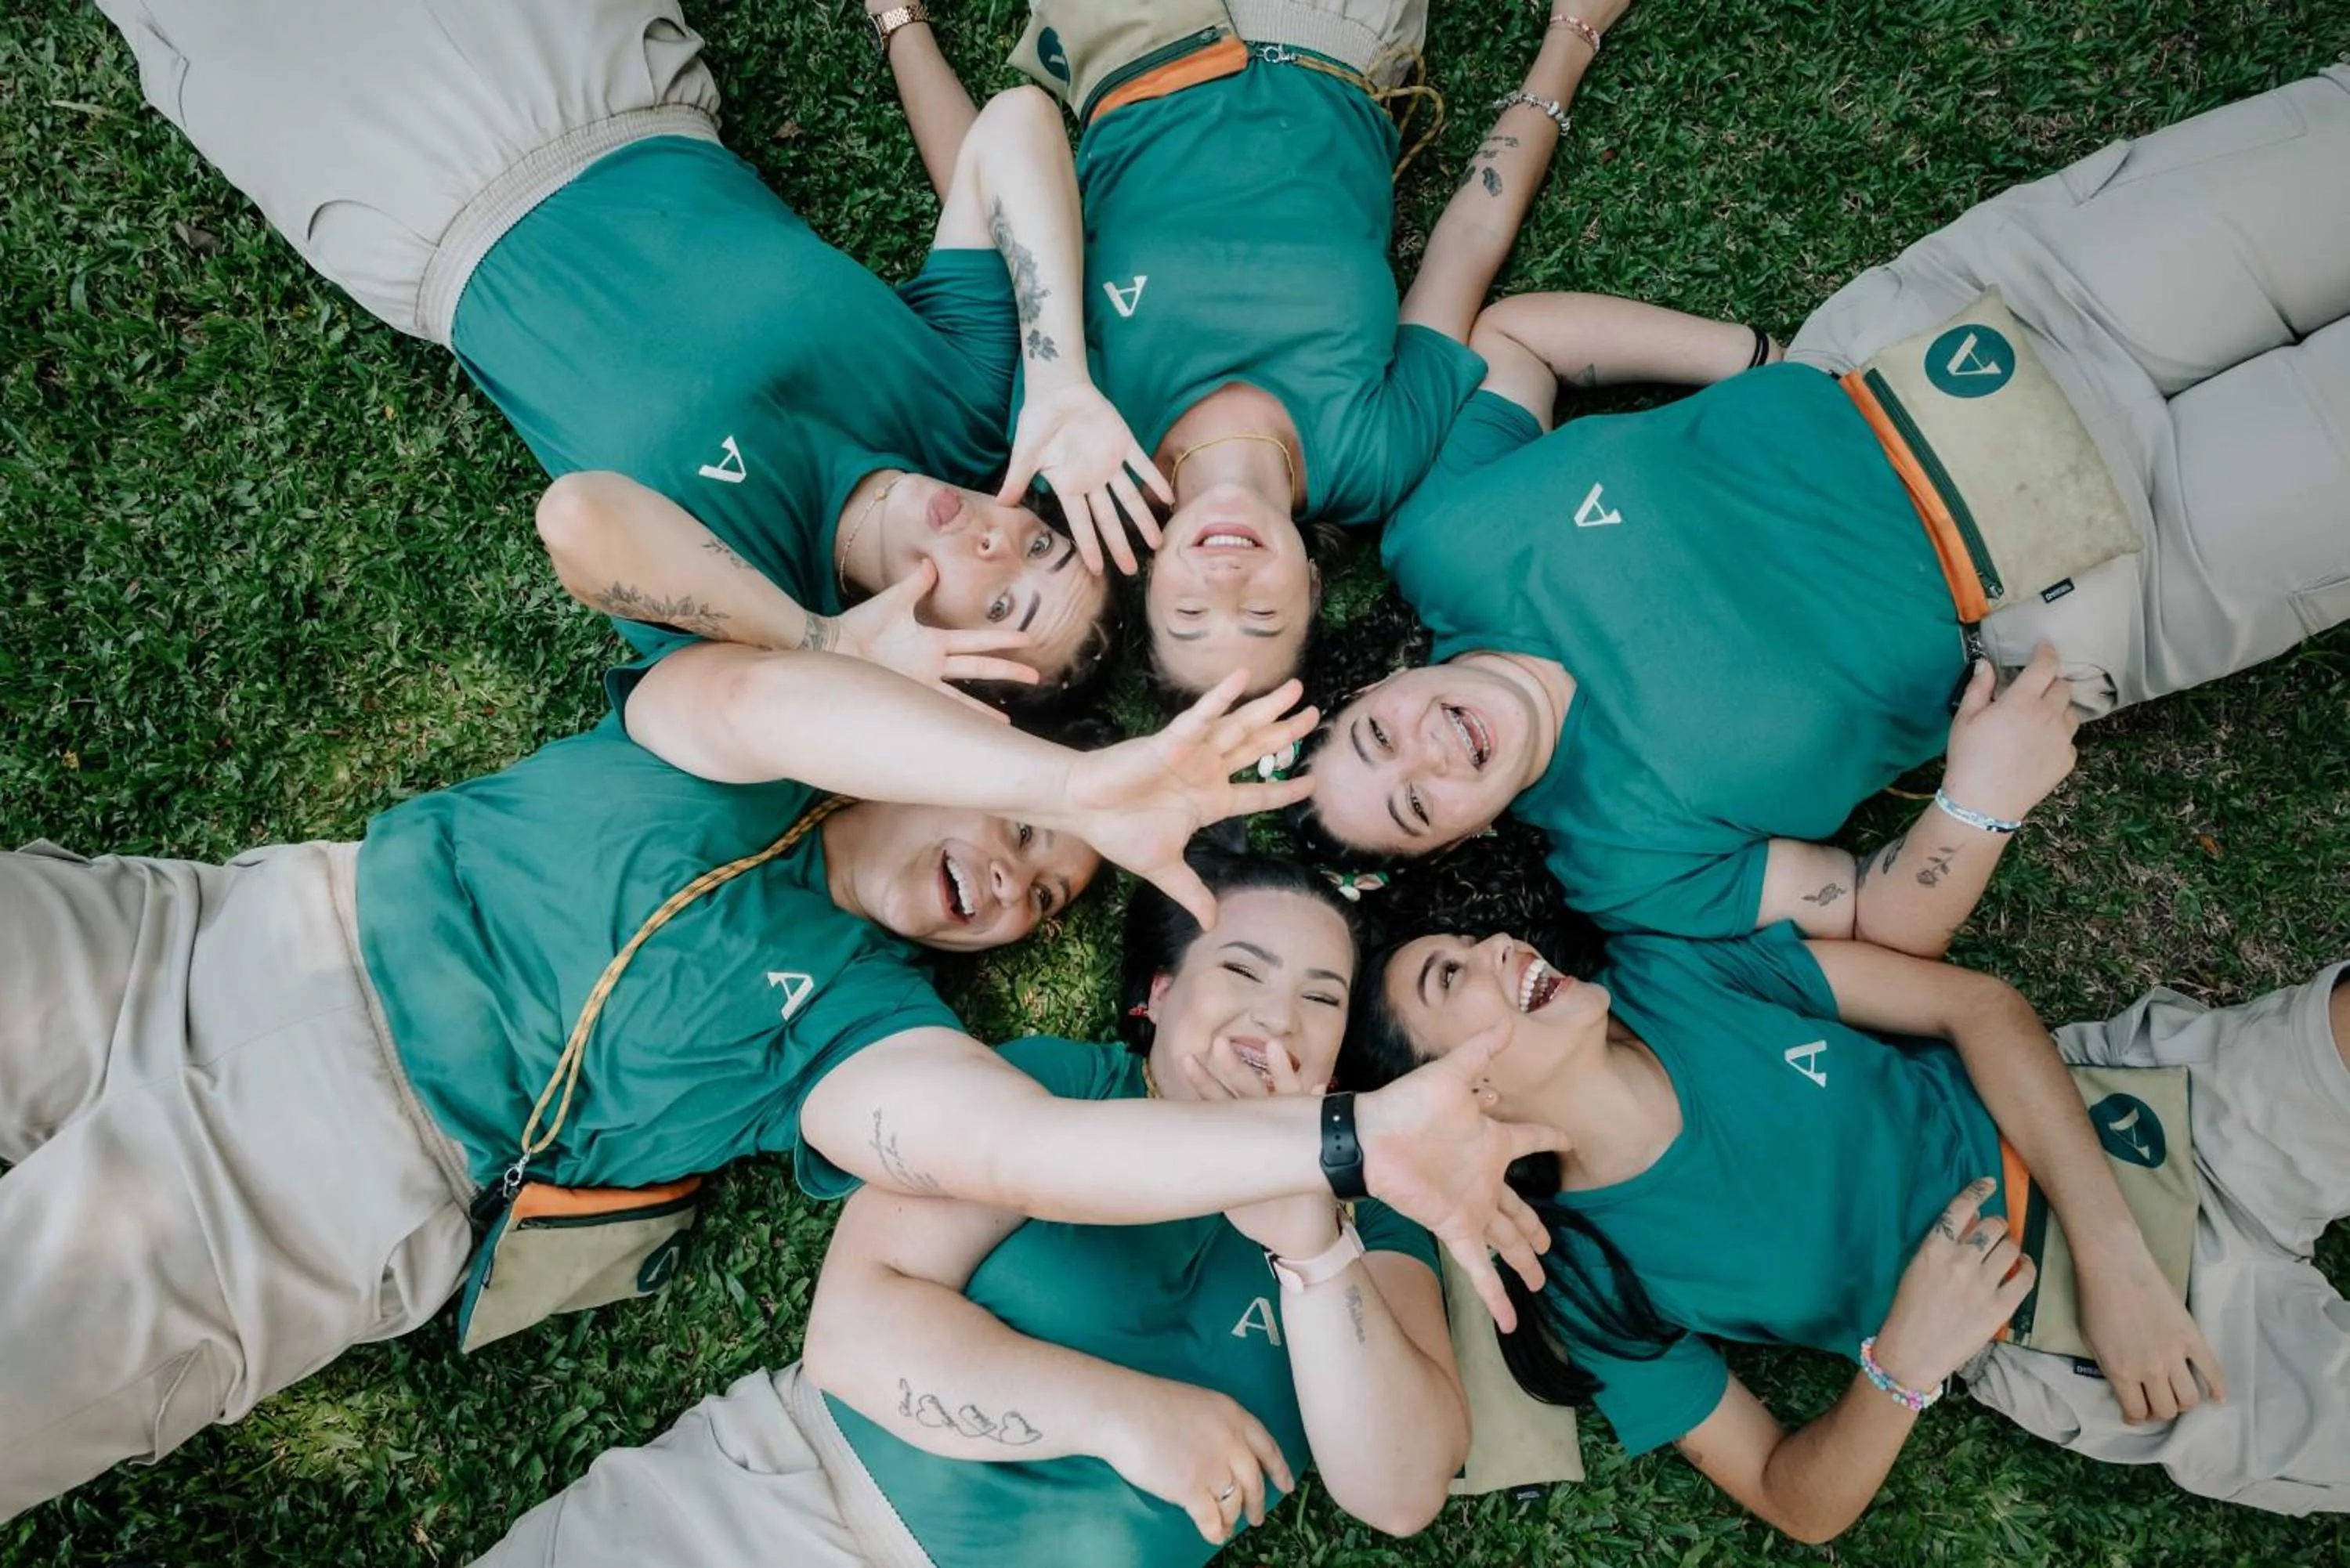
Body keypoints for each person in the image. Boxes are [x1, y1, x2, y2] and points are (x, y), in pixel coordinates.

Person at [0, 671, 1560, 1521]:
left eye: (1046, 894)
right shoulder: (747, 743)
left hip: (331, 1166)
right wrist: (1063, 784)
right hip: (209, 928)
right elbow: (730, 675)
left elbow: (1021, 1147)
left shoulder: (868, 1031)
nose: (1013, 883)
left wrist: (1333, 1168)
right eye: (1022, 841)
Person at [1300, 63, 2350, 949]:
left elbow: (1514, 341)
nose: (1427, 750)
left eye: (1374, 736)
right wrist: (1981, 800)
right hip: (2109, 575)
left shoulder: (1444, 543)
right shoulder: (1626, 862)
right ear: (1457, 844)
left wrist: (1759, 358)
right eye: (1414, 803)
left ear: (1374, 683)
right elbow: (1872, 914)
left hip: (1985, 329)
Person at [91, 0, 1160, 715]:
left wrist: (821, 644)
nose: (999, 543)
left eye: (1003, 605)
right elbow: (1014, 127)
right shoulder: (975, 417)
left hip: (413, 183)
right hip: (600, 73)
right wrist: (1059, 374)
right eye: (1043, 552)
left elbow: (577, 521)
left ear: (952, 660)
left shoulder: (753, 596)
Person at [475, 851, 1470, 1566]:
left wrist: (1313, 1244)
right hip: (768, 1514)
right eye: (1242, 971)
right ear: (1157, 994)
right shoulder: (1053, 1087)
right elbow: (857, 1337)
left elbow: (1400, 1490)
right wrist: (1127, 1417)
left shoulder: (1375, 1219)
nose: (1275, 1019)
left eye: (1321, 999)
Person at [1347, 898, 2350, 1532]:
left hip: (2123, 1113)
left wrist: (2116, 1252)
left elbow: (1982, 1009)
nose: (1499, 945)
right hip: (2059, 1333)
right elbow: (1794, 1499)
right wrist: (1903, 1367)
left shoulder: (1672, 974)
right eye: (1454, 975)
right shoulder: (1591, 1278)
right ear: (1455, 1097)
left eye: (1474, 936)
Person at [873, 0, 1641, 700]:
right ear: (1312, 587)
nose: (1227, 579)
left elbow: (996, 211)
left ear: (1148, 580)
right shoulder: (1373, 458)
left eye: (1193, 613)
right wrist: (1571, 39)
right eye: (1263, 614)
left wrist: (898, 20)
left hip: (1132, 37)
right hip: (1343, 31)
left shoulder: (1082, 449)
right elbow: (1467, 244)